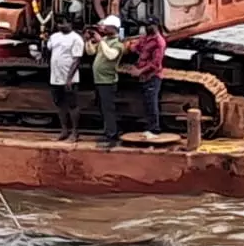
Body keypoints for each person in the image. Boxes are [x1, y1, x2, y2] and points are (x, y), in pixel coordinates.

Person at [84, 15, 124, 148]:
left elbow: (111, 55)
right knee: (102, 108)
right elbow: (90, 52)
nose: (104, 28)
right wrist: (89, 41)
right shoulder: (106, 40)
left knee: (108, 109)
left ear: (114, 28)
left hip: (108, 81)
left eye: (107, 26)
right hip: (100, 80)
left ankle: (112, 134)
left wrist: (100, 41)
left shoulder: (118, 44)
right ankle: (107, 131)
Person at [46, 18, 84, 142]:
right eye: (59, 23)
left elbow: (76, 60)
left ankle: (75, 132)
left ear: (70, 23)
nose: (61, 25)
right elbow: (49, 50)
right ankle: (64, 130)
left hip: (69, 78)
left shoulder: (76, 38)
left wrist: (69, 78)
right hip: (55, 77)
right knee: (59, 104)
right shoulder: (54, 37)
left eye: (64, 22)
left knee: (72, 104)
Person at [129, 18, 167, 138]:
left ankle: (155, 129)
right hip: (144, 75)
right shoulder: (146, 38)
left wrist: (140, 71)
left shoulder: (158, 42)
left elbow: (155, 64)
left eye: (149, 25)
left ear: (156, 26)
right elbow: (137, 48)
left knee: (152, 102)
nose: (146, 27)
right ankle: (149, 127)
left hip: (152, 76)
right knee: (146, 102)